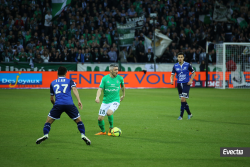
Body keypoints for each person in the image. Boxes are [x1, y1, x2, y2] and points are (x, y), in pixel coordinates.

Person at [36, 66, 91, 145]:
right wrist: (79, 100)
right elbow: (74, 89)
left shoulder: (53, 82)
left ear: (57, 73)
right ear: (66, 73)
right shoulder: (70, 81)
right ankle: (83, 135)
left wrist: (56, 106)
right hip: (69, 104)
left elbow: (51, 99)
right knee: (79, 121)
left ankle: (45, 134)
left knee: (48, 121)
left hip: (58, 105)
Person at [95, 64, 125, 136]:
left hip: (115, 100)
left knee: (109, 113)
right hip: (105, 101)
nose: (117, 71)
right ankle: (103, 131)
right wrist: (97, 97)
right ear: (110, 70)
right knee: (100, 119)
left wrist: (123, 95)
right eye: (115, 70)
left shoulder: (120, 78)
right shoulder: (105, 79)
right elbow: (100, 89)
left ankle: (111, 128)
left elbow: (123, 87)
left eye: (117, 70)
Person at [171, 52, 196, 120]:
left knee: (182, 99)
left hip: (186, 84)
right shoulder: (175, 66)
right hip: (179, 84)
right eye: (179, 57)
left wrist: (191, 80)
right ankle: (189, 114)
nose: (180, 58)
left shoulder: (188, 65)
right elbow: (172, 74)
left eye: (181, 57)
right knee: (183, 100)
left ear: (183, 58)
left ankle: (181, 116)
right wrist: (171, 80)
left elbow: (194, 73)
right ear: (177, 58)